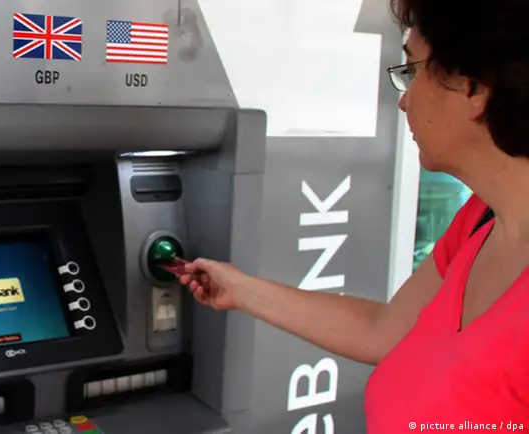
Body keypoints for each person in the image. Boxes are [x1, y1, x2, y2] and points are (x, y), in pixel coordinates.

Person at [179, 0, 529, 431]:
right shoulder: (480, 220)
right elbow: (382, 331)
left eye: (412, 71)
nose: (404, 102)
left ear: (473, 87)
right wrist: (241, 289)